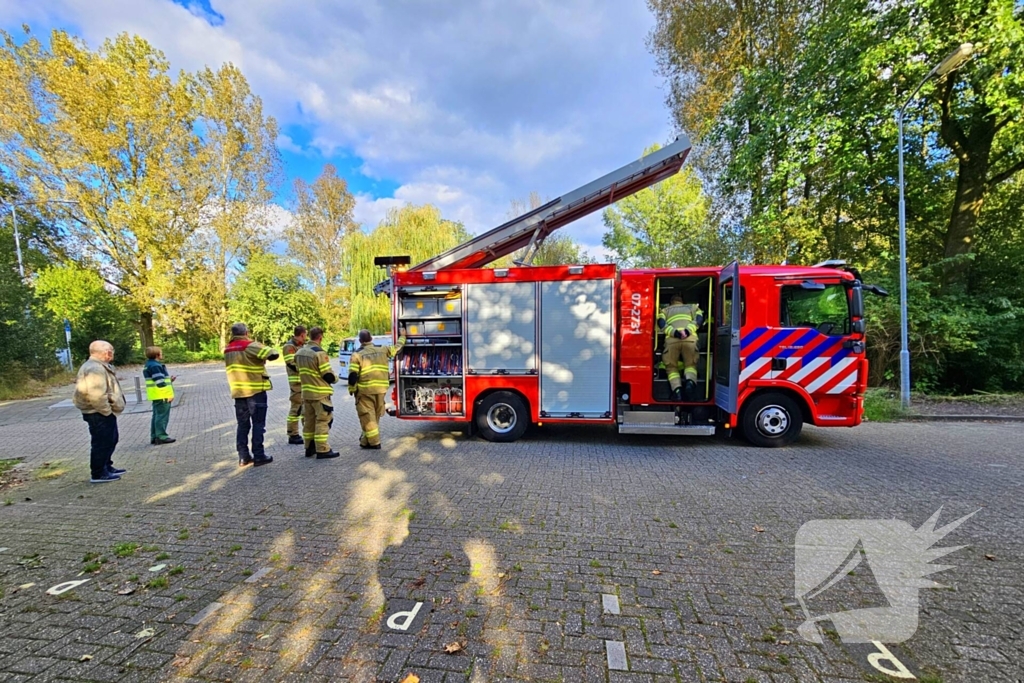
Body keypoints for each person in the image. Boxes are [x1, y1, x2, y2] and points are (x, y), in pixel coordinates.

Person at [224, 322, 279, 467]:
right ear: (246, 332)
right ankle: (259, 455)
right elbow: (273, 353)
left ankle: (243, 456)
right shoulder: (249, 345)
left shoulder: (228, 348)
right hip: (255, 391)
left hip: (238, 392)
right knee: (258, 424)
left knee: (242, 425)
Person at [73, 340, 127, 483]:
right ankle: (98, 473)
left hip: (100, 411)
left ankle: (106, 466)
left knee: (111, 439)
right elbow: (97, 395)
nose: (112, 353)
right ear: (106, 353)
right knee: (102, 442)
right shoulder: (94, 368)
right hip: (97, 413)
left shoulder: (97, 366)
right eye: (111, 351)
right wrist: (107, 412)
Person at [348, 327, 406, 449]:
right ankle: (365, 441)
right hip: (381, 390)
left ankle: (374, 443)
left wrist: (352, 390)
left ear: (360, 340)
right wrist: (403, 336)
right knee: (373, 417)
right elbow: (397, 348)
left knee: (367, 417)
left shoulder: (357, 355)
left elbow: (353, 376)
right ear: (371, 339)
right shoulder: (383, 350)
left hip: (365, 391)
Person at [295, 327, 341, 459]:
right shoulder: (319, 353)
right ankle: (322, 449)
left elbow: (298, 370)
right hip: (320, 395)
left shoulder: (299, 352)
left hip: (306, 394)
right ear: (320, 338)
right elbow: (327, 375)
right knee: (322, 421)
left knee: (309, 422)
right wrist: (336, 378)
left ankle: (309, 448)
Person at [658, 293, 704, 401]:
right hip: (690, 340)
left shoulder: (664, 311)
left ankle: (677, 391)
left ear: (671, 302)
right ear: (682, 301)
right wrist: (687, 331)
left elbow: (661, 324)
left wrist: (676, 333)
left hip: (671, 342)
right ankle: (690, 384)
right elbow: (699, 320)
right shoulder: (693, 307)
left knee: (671, 367)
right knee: (691, 365)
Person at [143, 346, 176, 445]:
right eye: (161, 353)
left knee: (156, 416)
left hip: (156, 395)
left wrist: (169, 380)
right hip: (162, 395)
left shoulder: (148, 365)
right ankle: (161, 436)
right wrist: (168, 394)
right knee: (162, 416)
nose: (162, 354)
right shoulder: (155, 366)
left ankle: (154, 436)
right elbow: (160, 382)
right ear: (157, 355)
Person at [282, 325, 308, 445]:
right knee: (296, 409)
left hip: (303, 382)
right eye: (305, 335)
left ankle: (307, 432)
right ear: (302, 335)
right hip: (296, 383)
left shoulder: (301, 346)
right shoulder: (289, 346)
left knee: (304, 409)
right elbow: (291, 363)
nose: (306, 337)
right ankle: (293, 434)